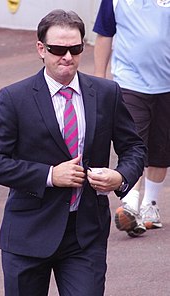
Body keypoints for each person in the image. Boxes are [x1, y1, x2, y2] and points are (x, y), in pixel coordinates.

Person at [0, 9, 146, 296]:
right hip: (28, 235)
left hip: (85, 234)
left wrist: (120, 177)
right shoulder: (14, 98)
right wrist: (50, 175)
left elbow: (134, 148)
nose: (67, 56)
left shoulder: (107, 93)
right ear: (41, 49)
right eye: (58, 49)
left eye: (75, 48)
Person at [93, 0, 170, 237]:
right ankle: (131, 204)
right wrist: (99, 78)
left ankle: (150, 205)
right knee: (133, 143)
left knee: (162, 147)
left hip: (166, 85)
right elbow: (104, 36)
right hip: (130, 82)